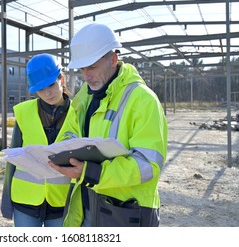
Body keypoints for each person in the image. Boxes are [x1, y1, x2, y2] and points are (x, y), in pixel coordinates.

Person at [49, 23, 168, 227]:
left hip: (126, 213)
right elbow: (69, 133)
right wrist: (64, 155)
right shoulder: (84, 98)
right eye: (82, 69)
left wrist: (93, 173)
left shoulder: (143, 100)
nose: (86, 76)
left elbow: (149, 165)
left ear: (113, 59)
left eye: (92, 67)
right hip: (87, 207)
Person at [1, 53, 80, 227]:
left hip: (61, 201)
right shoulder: (24, 112)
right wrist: (6, 201)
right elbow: (12, 160)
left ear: (62, 79)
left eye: (51, 84)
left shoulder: (78, 113)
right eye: (41, 88)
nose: (48, 92)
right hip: (25, 201)